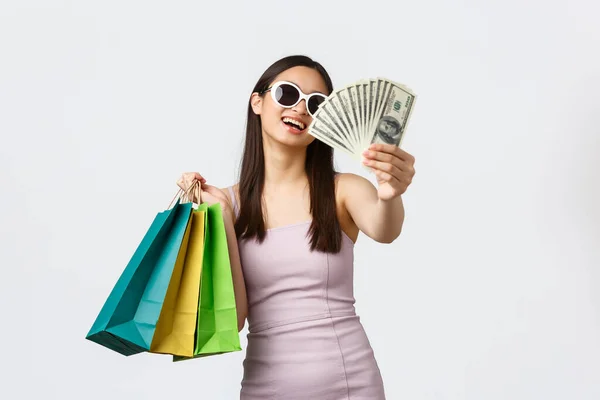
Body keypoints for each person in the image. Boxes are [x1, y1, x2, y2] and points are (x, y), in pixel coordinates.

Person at [177, 55, 416, 400]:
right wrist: (223, 221)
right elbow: (237, 317)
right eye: (288, 94)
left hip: (351, 383)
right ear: (257, 102)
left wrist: (391, 194)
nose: (301, 108)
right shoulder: (227, 204)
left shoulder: (343, 189)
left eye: (317, 103)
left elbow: (385, 229)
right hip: (266, 388)